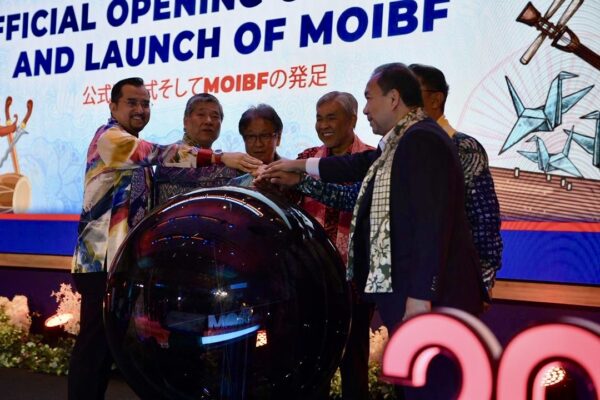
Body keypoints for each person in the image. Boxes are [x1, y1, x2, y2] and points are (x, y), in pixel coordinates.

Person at [262, 63, 487, 398]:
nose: (365, 109)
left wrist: (420, 298)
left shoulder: (422, 140)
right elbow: (355, 165)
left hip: (429, 299)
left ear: (393, 99)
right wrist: (297, 167)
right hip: (411, 295)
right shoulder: (398, 143)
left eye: (369, 98)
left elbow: (431, 224)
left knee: (433, 388)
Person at [69, 78, 261, 400]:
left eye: (145, 104)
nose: (140, 109)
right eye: (132, 102)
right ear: (113, 106)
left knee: (107, 348)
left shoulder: (134, 151)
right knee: (93, 348)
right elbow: (159, 153)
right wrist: (220, 158)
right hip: (100, 261)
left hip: (121, 262)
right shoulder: (110, 139)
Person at [295, 92, 373, 400]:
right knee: (311, 364)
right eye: (319, 118)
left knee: (354, 363)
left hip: (354, 280)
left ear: (352, 120)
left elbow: (353, 201)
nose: (324, 125)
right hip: (312, 280)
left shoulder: (371, 159)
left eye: (331, 117)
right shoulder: (306, 157)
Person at [408, 63, 503, 293]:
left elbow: (484, 218)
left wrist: (482, 281)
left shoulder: (463, 147)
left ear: (436, 100)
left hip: (452, 282)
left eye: (411, 94)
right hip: (407, 281)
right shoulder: (400, 147)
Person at [153, 93, 245, 206]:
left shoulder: (225, 161)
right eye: (201, 115)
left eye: (215, 116)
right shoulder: (171, 155)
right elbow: (205, 172)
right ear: (185, 121)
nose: (208, 121)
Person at [229, 104, 284, 187]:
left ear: (278, 138)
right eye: (251, 136)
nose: (258, 144)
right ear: (244, 139)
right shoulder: (230, 174)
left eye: (264, 136)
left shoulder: (290, 173)